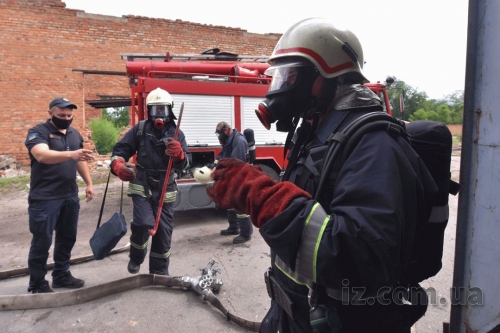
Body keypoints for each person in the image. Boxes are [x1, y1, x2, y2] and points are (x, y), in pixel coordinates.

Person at [207, 18, 437, 332]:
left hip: (345, 323)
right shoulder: (317, 135)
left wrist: (261, 197)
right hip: (295, 314)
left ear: (325, 78)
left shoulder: (374, 146)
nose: (280, 87)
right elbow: (310, 206)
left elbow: (361, 258)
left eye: (290, 75)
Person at [110, 87, 191, 275]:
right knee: (142, 223)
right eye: (155, 110)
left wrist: (179, 156)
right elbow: (119, 151)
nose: (159, 116)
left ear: (170, 110)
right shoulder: (139, 130)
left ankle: (159, 272)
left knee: (163, 231)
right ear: (149, 111)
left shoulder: (178, 135)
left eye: (163, 110)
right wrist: (118, 166)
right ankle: (136, 258)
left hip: (166, 187)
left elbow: (186, 166)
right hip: (142, 184)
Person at [25, 97, 95, 294]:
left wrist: (89, 183)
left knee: (67, 238)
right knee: (42, 241)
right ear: (51, 114)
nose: (66, 118)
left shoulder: (74, 134)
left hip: (70, 196)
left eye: (69, 115)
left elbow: (79, 160)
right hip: (45, 198)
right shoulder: (39, 132)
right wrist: (71, 154)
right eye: (61, 115)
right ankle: (37, 283)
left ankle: (61, 275)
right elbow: (41, 155)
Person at [214, 121, 253, 244]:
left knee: (240, 205)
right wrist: (213, 167)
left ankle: (246, 233)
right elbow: (222, 156)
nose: (219, 136)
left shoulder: (239, 141)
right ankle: (234, 227)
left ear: (226, 130)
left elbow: (235, 162)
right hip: (230, 177)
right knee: (230, 202)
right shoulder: (228, 141)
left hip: (239, 177)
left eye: (220, 133)